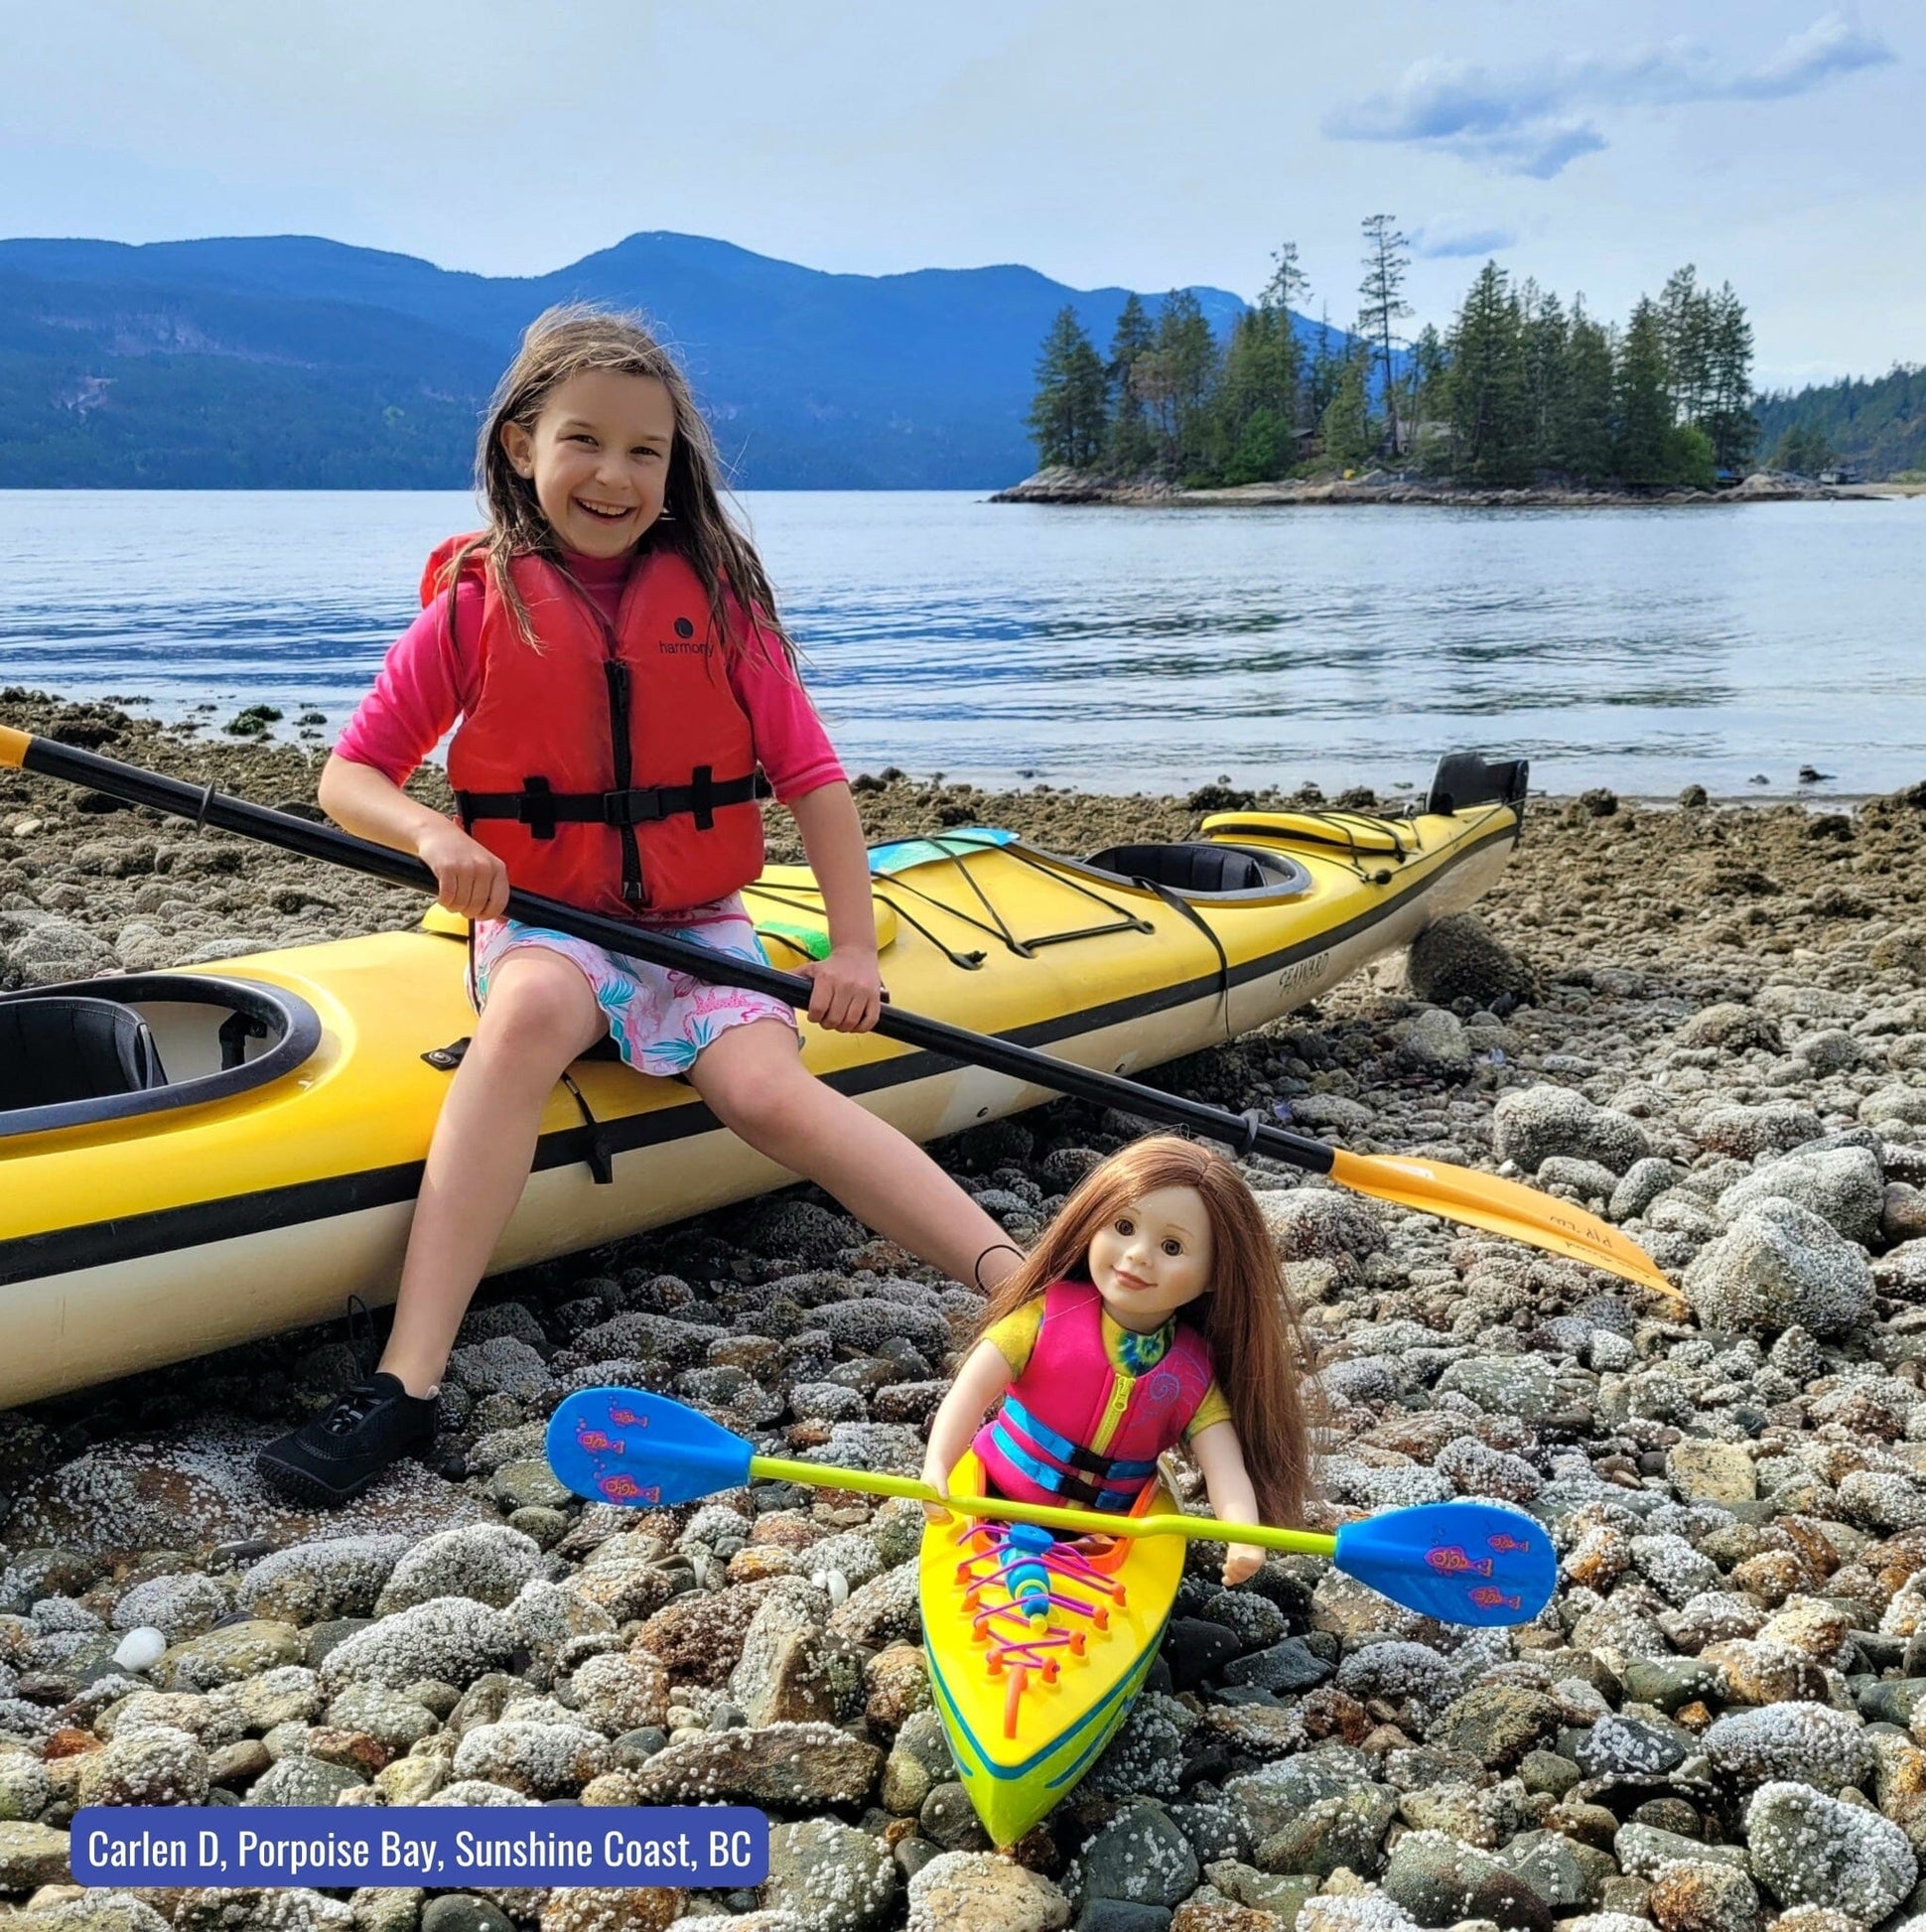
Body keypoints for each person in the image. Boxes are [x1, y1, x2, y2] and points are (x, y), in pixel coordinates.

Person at [258, 303, 1023, 1504]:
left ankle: (1015, 1287)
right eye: (584, 440)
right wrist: (432, 832)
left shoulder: (715, 599)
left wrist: (856, 949)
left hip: (699, 921)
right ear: (520, 445)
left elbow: (815, 785)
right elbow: (349, 774)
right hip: (550, 921)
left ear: (675, 469)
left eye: (644, 451)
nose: (613, 475)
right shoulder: (476, 604)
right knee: (519, 1023)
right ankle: (404, 1378)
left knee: (769, 1089)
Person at [919, 1135, 1316, 1586]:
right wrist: (938, 1465)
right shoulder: (1043, 1318)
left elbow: (1225, 1466)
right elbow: (969, 1392)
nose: (1137, 1256)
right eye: (1123, 1227)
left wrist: (1242, 1534)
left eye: (1172, 1248)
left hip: (1108, 1535)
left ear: (1215, 1276)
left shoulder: (1191, 1373)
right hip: (997, 1501)